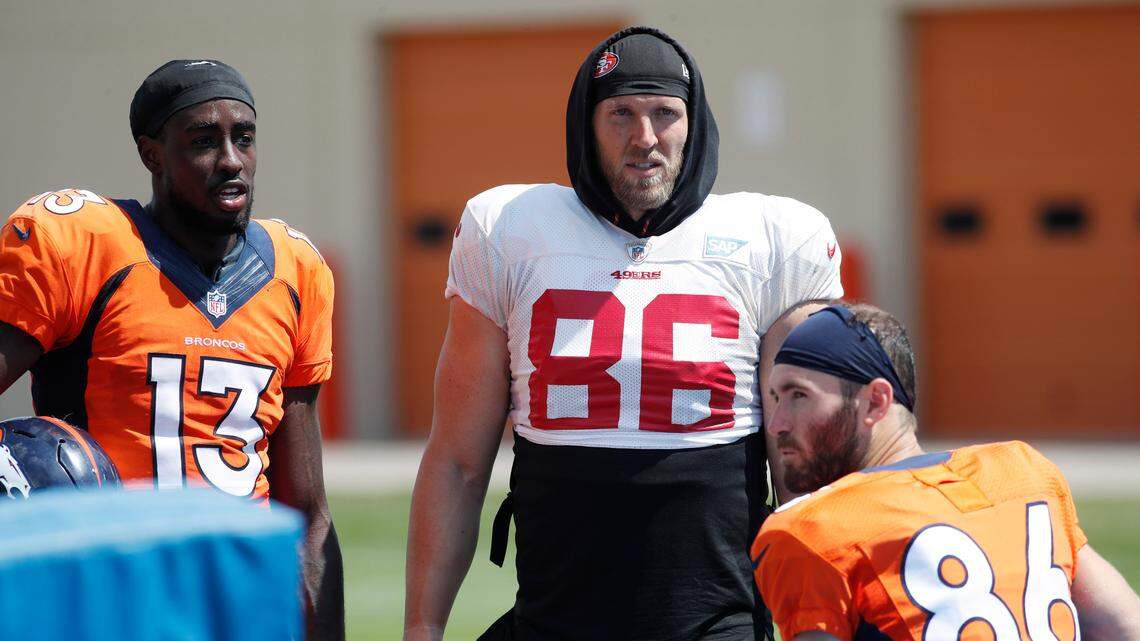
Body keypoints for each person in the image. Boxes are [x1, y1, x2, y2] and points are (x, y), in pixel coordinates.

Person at [405, 26, 844, 641]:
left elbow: (803, 470)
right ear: (586, 125)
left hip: (715, 621)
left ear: (693, 123)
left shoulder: (775, 238)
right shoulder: (508, 228)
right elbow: (457, 461)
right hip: (554, 620)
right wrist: (421, 630)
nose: (645, 138)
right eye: (621, 114)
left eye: (665, 113)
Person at [0, 60, 344, 639]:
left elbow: (307, 513)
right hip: (113, 594)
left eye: (244, 138)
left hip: (240, 597)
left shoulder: (296, 270)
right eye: (204, 141)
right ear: (152, 154)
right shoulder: (83, 244)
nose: (231, 160)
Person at [753, 302, 1140, 641]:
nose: (776, 423)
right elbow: (1122, 626)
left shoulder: (813, 529)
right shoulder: (1023, 472)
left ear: (875, 402)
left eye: (798, 395)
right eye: (775, 398)